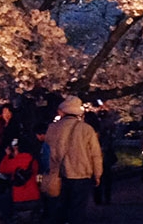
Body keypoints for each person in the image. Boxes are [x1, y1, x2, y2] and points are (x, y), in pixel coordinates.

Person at [44, 96, 103, 224]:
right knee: (77, 210)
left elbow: (47, 151)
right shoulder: (87, 129)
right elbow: (95, 154)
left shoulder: (52, 128)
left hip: (59, 174)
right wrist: (97, 174)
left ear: (63, 111)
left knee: (60, 208)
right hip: (81, 174)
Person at [0, 138, 40, 223]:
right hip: (34, 195)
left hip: (19, 197)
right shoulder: (33, 159)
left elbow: (2, 169)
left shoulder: (14, 161)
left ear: (16, 149)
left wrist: (7, 156)